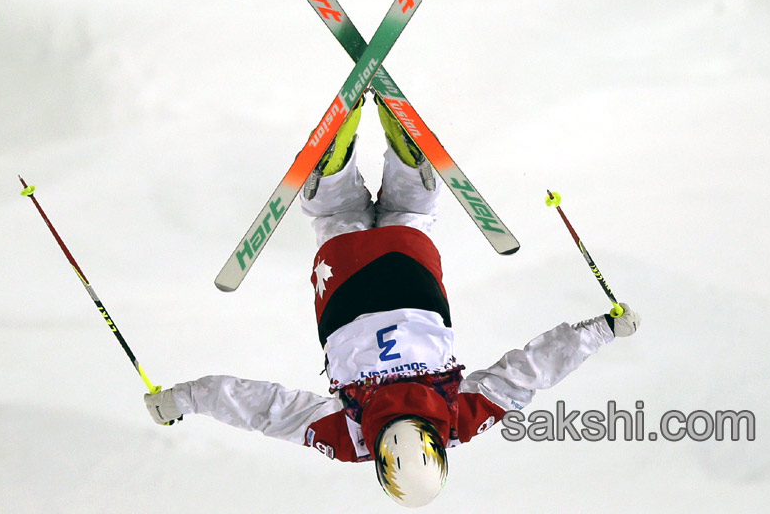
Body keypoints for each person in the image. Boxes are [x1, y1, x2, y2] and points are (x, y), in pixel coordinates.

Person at [145, 94, 641, 508]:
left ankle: (411, 166)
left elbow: (531, 372)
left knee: (409, 215)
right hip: (344, 291)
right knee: (336, 219)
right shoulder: (346, 436)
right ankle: (331, 175)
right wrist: (184, 398)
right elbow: (262, 409)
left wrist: (600, 329)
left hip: (413, 279)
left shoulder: (461, 417)